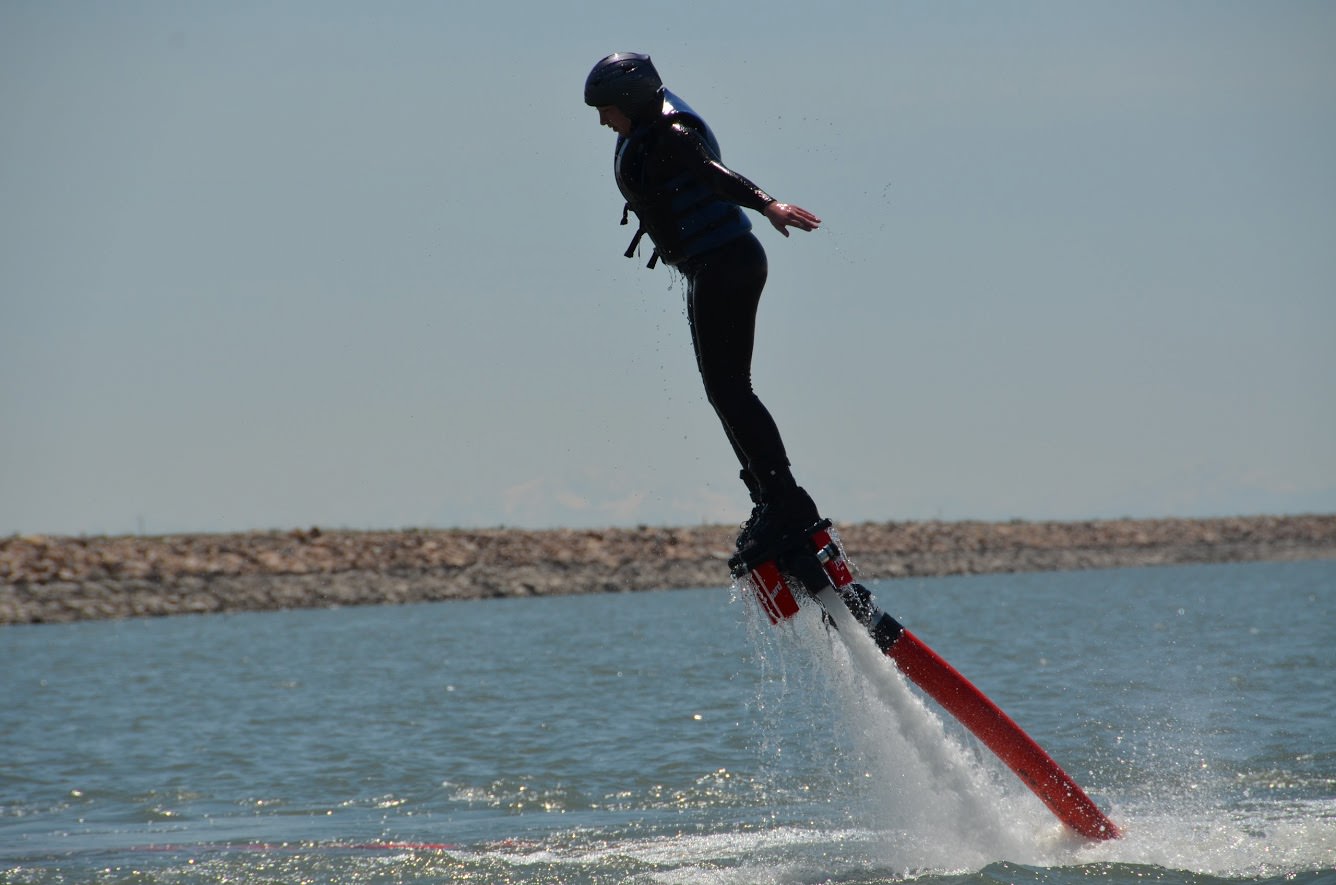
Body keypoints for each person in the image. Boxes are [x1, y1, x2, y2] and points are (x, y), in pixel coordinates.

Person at [584, 52, 823, 557]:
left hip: (726, 265)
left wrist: (768, 204)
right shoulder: (646, 127)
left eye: (606, 109)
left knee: (732, 390)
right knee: (725, 391)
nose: (603, 120)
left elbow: (714, 174)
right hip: (713, 267)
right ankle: (769, 498)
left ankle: (785, 501)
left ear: (629, 100)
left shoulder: (671, 133)